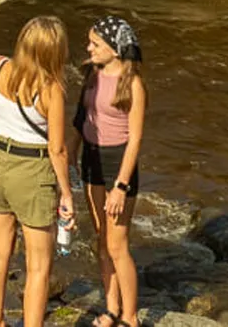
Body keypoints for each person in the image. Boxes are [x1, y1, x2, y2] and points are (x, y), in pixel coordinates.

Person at [0, 16, 74, 327]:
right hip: (32, 172)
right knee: (38, 266)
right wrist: (67, 194)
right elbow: (57, 150)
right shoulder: (50, 89)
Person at [78, 17, 148, 327]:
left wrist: (120, 186)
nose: (88, 47)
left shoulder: (133, 84)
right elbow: (80, 120)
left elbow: (135, 139)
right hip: (90, 160)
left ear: (114, 49)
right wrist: (64, 154)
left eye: (95, 43)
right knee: (101, 239)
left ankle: (130, 318)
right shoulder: (92, 74)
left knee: (118, 246)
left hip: (119, 165)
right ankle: (111, 307)